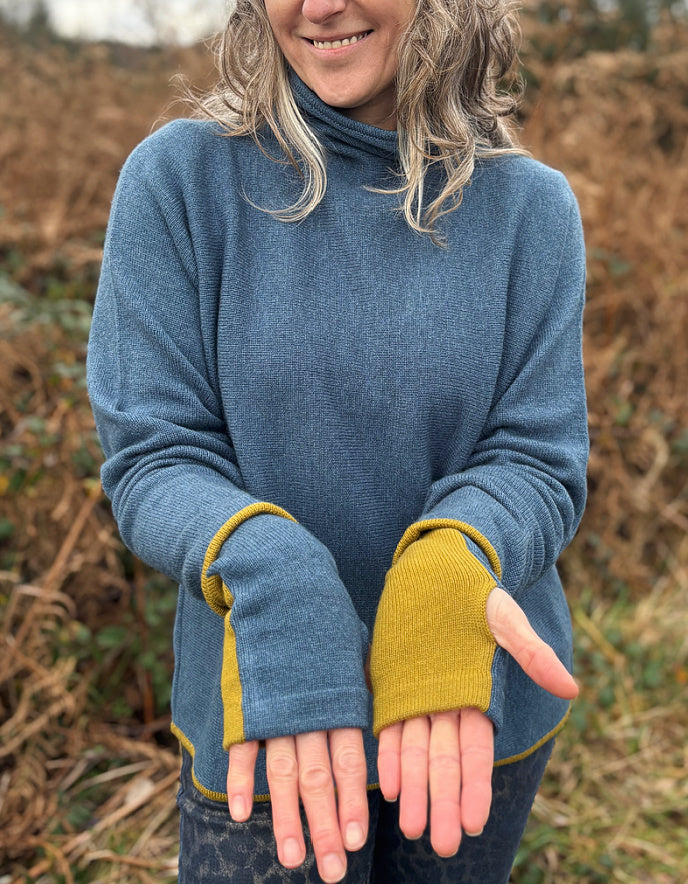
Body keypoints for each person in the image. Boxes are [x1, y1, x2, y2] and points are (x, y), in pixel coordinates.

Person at [87, 0, 588, 881]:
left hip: (471, 704)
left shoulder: (530, 209)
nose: (318, 6)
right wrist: (273, 571)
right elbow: (156, 456)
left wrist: (452, 563)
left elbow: (538, 457)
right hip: (266, 705)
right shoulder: (181, 181)